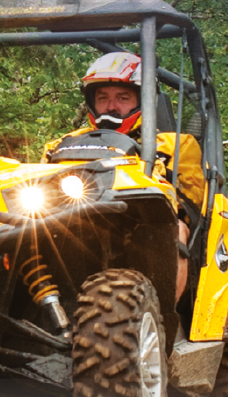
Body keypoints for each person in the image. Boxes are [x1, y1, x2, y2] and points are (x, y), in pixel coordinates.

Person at [74, 52, 204, 304]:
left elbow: (192, 207)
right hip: (71, 222)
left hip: (144, 226)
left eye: (122, 97)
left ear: (143, 100)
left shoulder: (175, 145)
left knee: (176, 229)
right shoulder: (67, 144)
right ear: (91, 101)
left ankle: (161, 319)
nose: (111, 107)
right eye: (103, 98)